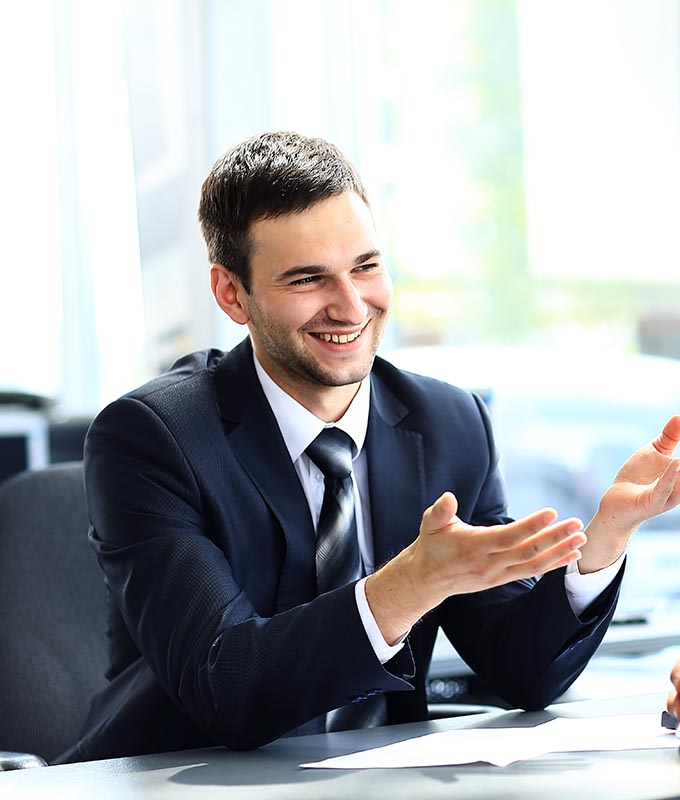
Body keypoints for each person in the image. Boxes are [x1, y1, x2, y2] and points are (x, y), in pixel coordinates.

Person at [58, 131, 680, 763]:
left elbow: (521, 671)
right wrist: (406, 586)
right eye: (308, 279)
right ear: (231, 294)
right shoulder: (153, 438)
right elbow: (226, 685)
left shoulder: (447, 422)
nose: (352, 306)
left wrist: (607, 537)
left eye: (366, 266)